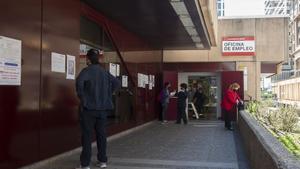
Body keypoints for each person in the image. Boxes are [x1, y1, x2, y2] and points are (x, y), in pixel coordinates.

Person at [76, 49, 120, 169]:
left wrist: (82, 97)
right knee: (101, 135)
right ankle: (102, 161)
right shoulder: (104, 72)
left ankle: (85, 164)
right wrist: (107, 95)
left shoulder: (86, 71)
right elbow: (116, 83)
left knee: (87, 136)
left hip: (89, 109)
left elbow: (79, 83)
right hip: (103, 110)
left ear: (88, 59)